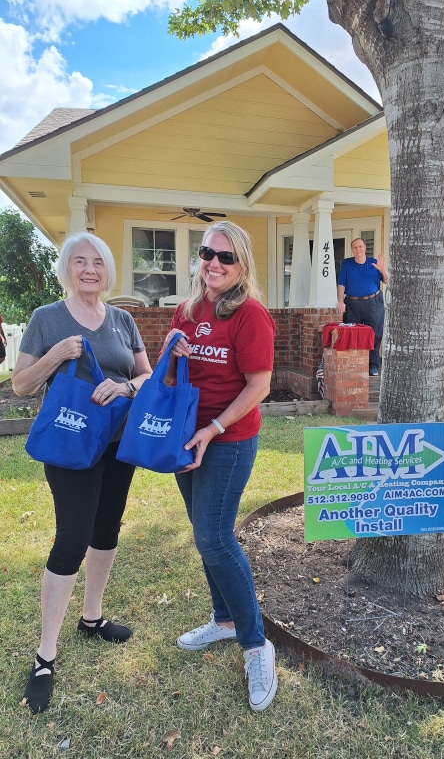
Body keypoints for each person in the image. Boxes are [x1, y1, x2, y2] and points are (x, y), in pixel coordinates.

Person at [12, 232, 152, 714]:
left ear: (107, 271)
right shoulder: (46, 319)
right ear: (66, 269)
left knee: (106, 530)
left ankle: (91, 619)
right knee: (72, 537)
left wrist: (124, 388)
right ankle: (45, 653)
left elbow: (147, 376)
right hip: (71, 445)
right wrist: (57, 354)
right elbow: (21, 385)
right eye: (79, 261)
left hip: (117, 445)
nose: (89, 269)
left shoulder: (122, 320)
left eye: (97, 262)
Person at [161, 220, 277, 713]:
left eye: (225, 257)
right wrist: (172, 353)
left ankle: (256, 644)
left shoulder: (250, 313)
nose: (213, 263)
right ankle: (224, 619)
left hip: (228, 439)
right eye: (208, 253)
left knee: (214, 536)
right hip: (186, 435)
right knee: (202, 530)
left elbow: (259, 386)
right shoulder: (186, 311)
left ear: (242, 264)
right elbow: (167, 376)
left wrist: (214, 429)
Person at [336, 237, 388, 376]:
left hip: (373, 303)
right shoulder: (347, 263)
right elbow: (341, 284)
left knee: (375, 334)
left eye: (360, 246)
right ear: (352, 250)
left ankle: (373, 365)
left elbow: (387, 280)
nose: (358, 249)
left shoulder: (374, 263)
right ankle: (357, 365)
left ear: (365, 247)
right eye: (355, 247)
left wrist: (382, 270)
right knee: (354, 334)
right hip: (352, 304)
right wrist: (340, 301)